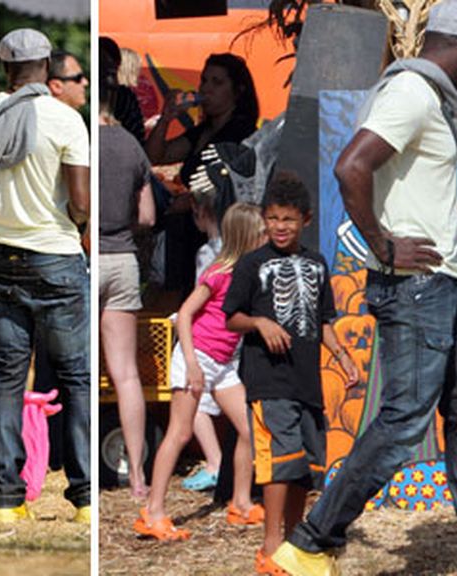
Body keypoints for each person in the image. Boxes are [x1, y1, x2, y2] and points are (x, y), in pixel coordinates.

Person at [271, 3, 457, 575]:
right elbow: (352, 166)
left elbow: (437, 208)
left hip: (444, 287)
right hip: (417, 289)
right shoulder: (412, 93)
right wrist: (381, 244)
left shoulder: (430, 99)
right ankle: (307, 544)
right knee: (403, 421)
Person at [222, 173, 359, 575]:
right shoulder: (252, 264)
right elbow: (232, 317)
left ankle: (296, 542)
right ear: (264, 219)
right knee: (282, 459)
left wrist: (342, 356)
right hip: (268, 379)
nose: (280, 227)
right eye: (274, 219)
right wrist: (260, 324)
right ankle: (270, 546)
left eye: (289, 220)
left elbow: (323, 321)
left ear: (307, 220)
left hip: (307, 381)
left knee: (306, 465)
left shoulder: (316, 263)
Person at [0, 28, 90, 523]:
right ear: (48, 65)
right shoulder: (66, 118)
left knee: (6, 380)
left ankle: (6, 505)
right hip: (54, 256)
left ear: (5, 66)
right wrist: (76, 222)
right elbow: (79, 203)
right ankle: (86, 499)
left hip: (1, 257)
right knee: (75, 378)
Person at [134, 203, 270, 541]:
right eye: (263, 232)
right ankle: (152, 511)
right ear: (247, 236)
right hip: (196, 358)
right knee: (179, 433)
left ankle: (240, 502)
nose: (269, 237)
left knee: (250, 427)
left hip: (222, 365)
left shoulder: (251, 274)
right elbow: (184, 314)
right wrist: (193, 366)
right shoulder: (219, 272)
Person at [146, 52, 259, 298]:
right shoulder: (201, 132)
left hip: (222, 231)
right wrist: (167, 118)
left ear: (237, 91)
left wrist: (192, 198)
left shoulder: (243, 133)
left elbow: (233, 181)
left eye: (217, 83)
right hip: (191, 228)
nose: (207, 89)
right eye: (204, 81)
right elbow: (156, 155)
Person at [99, 61, 156, 499]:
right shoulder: (132, 146)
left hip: (86, 258)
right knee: (127, 376)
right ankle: (136, 473)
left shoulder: (81, 140)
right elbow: (148, 216)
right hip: (123, 263)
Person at [179, 194, 225, 493]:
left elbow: (200, 296)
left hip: (206, 337)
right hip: (227, 339)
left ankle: (214, 463)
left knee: (193, 399)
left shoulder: (208, 253)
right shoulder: (233, 248)